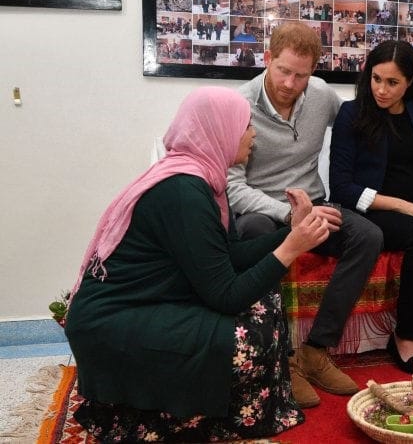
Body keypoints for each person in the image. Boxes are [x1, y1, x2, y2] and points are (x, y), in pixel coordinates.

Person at [64, 87, 330, 442]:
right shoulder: (184, 191)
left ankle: (236, 405)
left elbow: (228, 256)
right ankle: (206, 416)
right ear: (219, 130)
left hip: (145, 302)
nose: (253, 134)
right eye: (246, 126)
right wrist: (290, 249)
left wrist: (292, 232)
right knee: (249, 335)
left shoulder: (203, 180)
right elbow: (225, 296)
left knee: (268, 301)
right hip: (114, 322)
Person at [227, 22, 383, 408]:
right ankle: (277, 360)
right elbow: (232, 186)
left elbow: (355, 130)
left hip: (314, 204)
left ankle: (315, 352)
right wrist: (287, 214)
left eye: (302, 74)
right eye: (283, 70)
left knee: (368, 236)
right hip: (261, 209)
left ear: (314, 70)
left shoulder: (320, 95)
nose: (290, 83)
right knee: (255, 234)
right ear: (267, 59)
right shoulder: (237, 106)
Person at [329, 40, 413, 376]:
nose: (381, 89)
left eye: (392, 82)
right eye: (376, 79)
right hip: (372, 210)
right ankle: (403, 337)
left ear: (409, 82)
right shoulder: (352, 113)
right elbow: (341, 187)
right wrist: (403, 206)